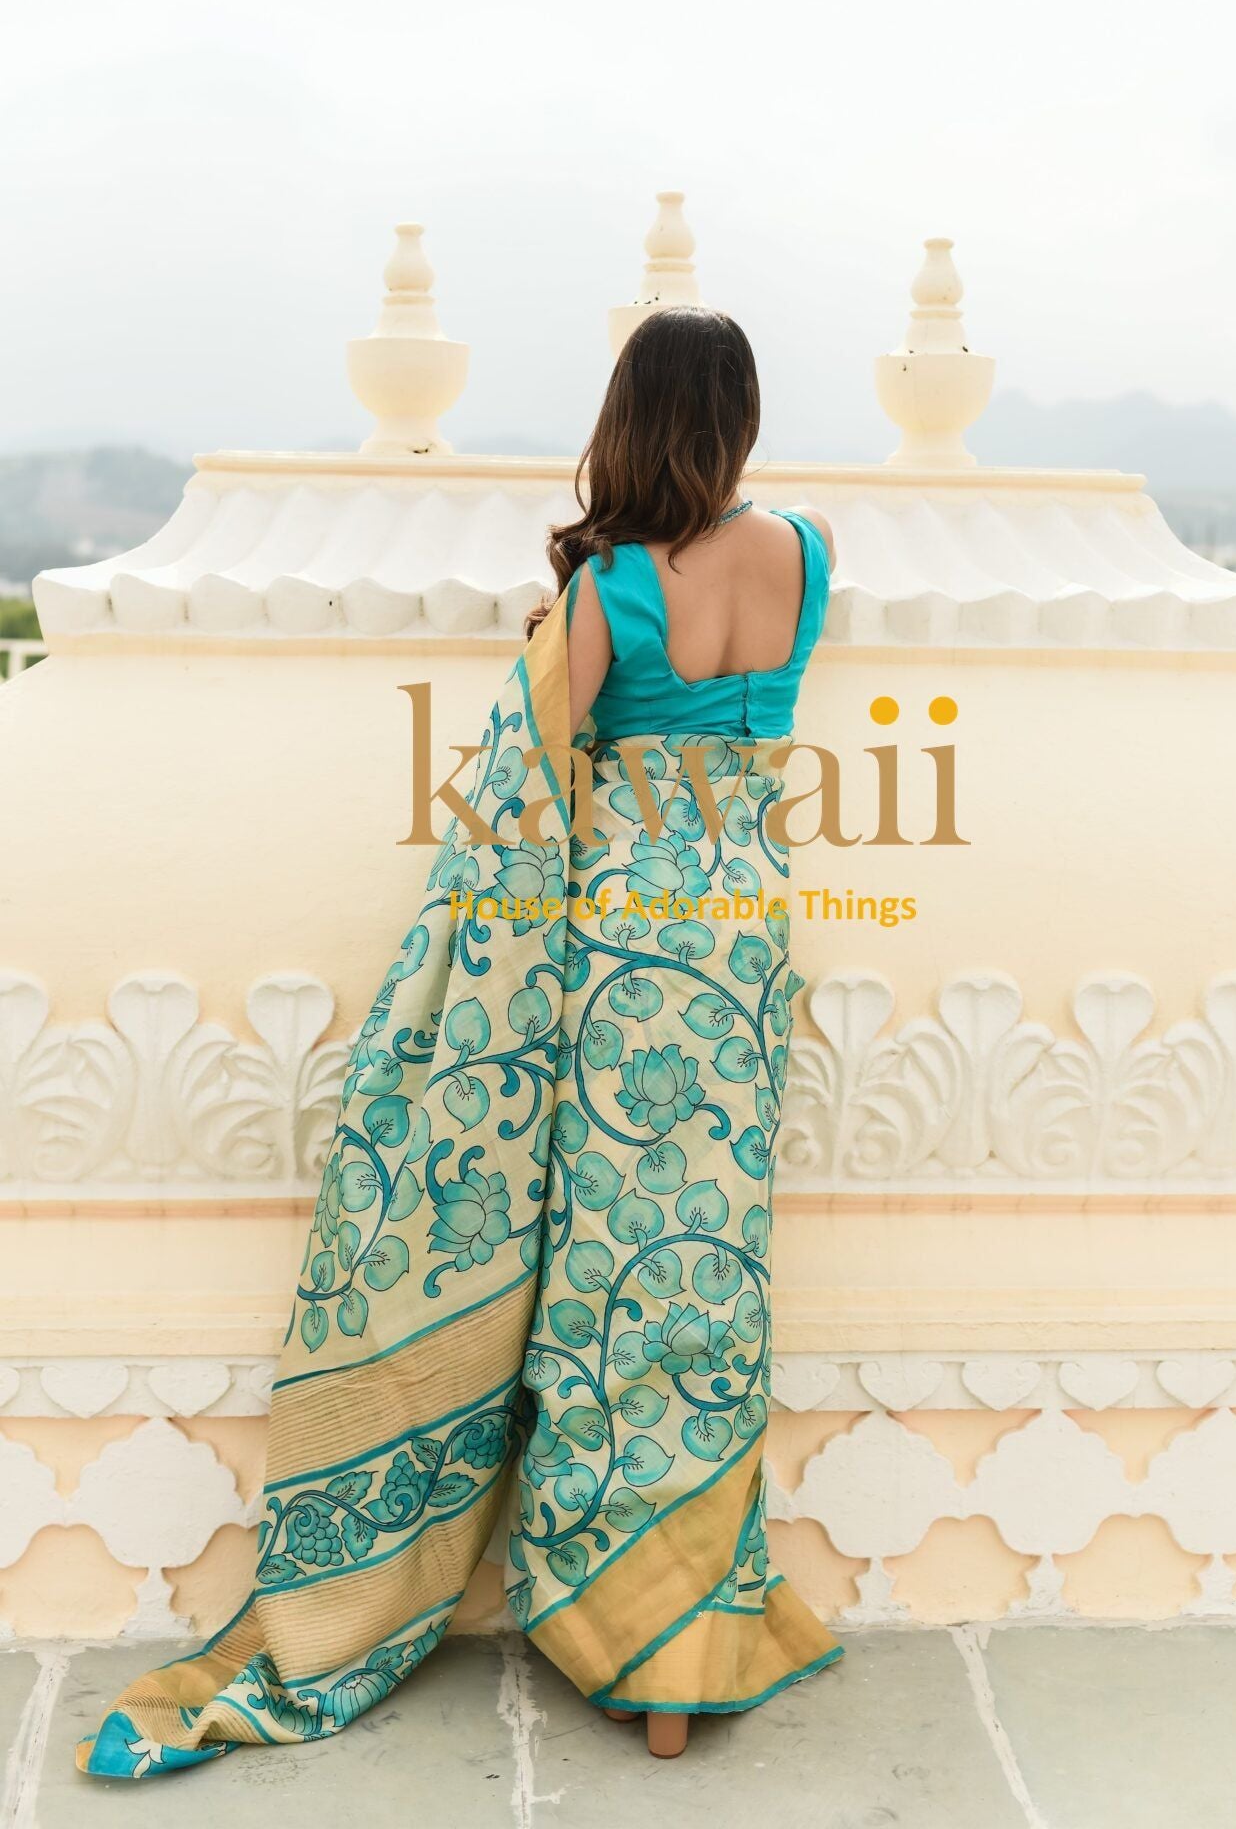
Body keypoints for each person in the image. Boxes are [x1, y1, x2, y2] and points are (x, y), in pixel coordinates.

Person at [77, 304, 842, 1781]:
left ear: (624, 420)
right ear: (737, 419)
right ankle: (686, 1642)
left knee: (607, 1281)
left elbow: (518, 803)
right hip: (744, 948)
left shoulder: (611, 596)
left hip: (618, 971)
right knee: (705, 1273)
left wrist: (548, 649)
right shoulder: (803, 557)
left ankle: (617, 1640)